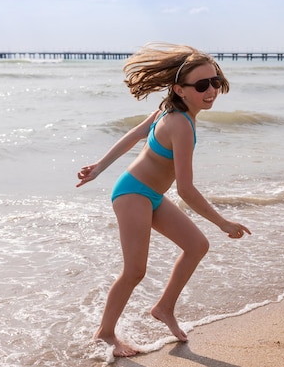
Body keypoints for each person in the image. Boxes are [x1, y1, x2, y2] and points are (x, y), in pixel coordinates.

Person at [76, 43, 251, 357]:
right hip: (132, 194)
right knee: (134, 271)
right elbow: (186, 190)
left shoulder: (171, 109)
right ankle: (104, 334)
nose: (210, 90)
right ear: (180, 90)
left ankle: (164, 308)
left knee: (198, 245)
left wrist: (100, 167)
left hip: (150, 195)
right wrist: (223, 222)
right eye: (201, 85)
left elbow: (136, 133)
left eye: (215, 82)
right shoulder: (180, 124)